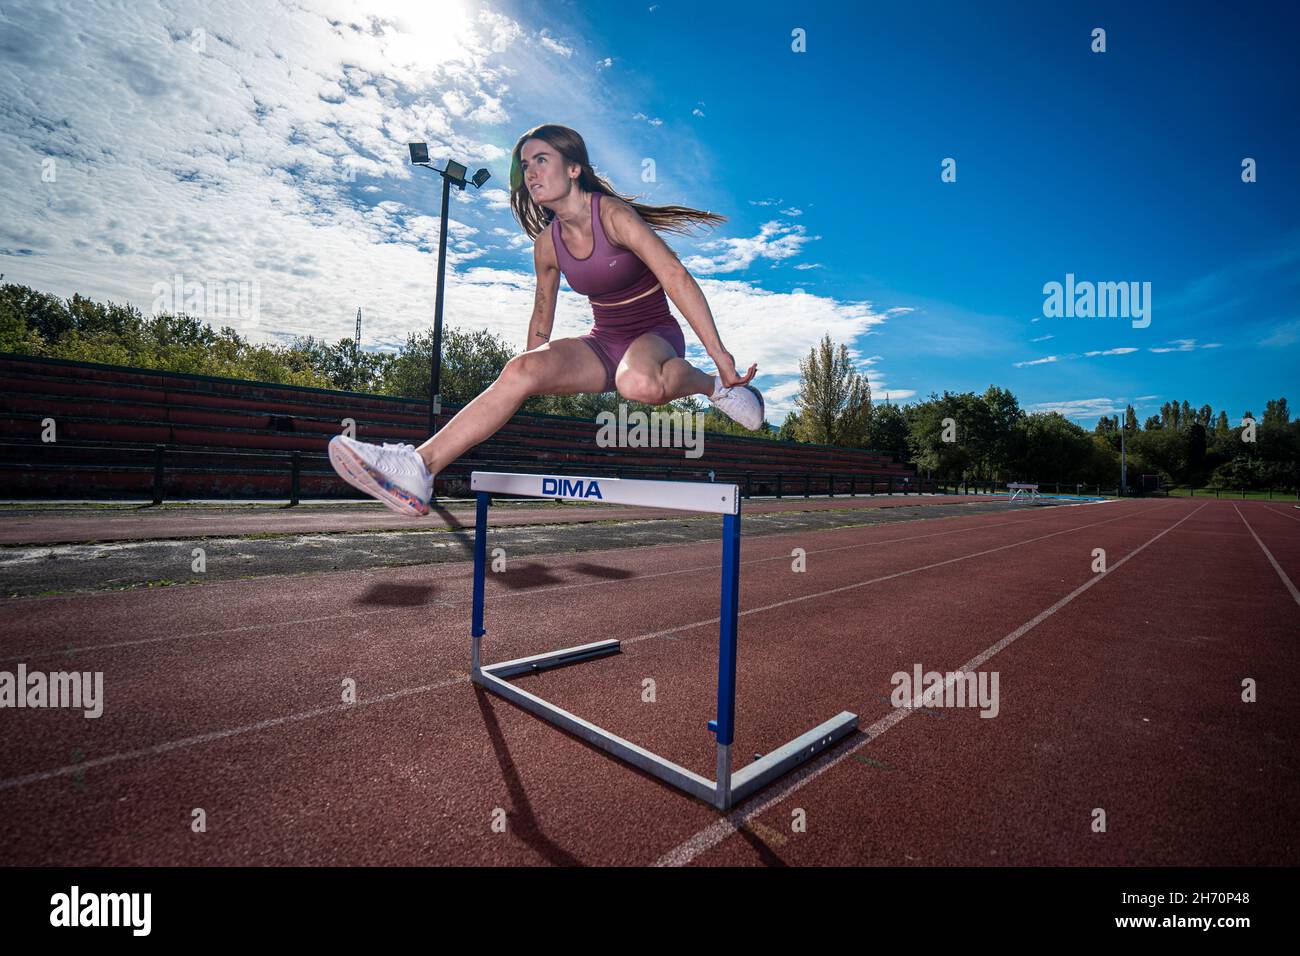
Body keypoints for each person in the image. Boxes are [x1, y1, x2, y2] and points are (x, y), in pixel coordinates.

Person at [330, 123, 765, 516]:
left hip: (653, 334)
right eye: (524, 165)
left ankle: (713, 386)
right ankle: (418, 468)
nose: (530, 173)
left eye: (541, 160)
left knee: (639, 384)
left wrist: (720, 354)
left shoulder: (612, 215)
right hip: (604, 342)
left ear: (574, 168)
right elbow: (542, 318)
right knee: (520, 369)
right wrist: (527, 376)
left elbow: (674, 275)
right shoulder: (547, 245)